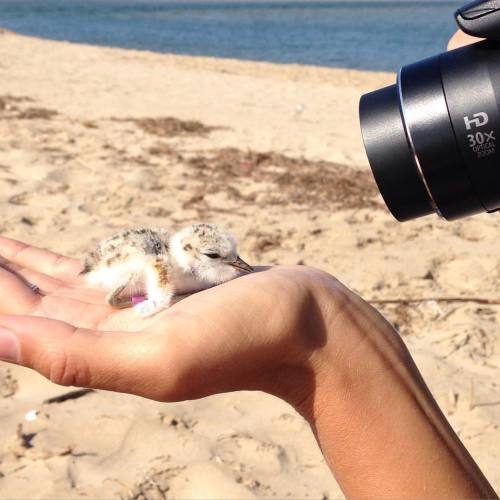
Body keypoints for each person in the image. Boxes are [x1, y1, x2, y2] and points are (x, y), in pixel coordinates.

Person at [0, 33, 497, 499]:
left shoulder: (191, 265)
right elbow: (154, 269)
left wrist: (318, 334)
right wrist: (325, 334)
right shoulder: (167, 261)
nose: (459, 46)